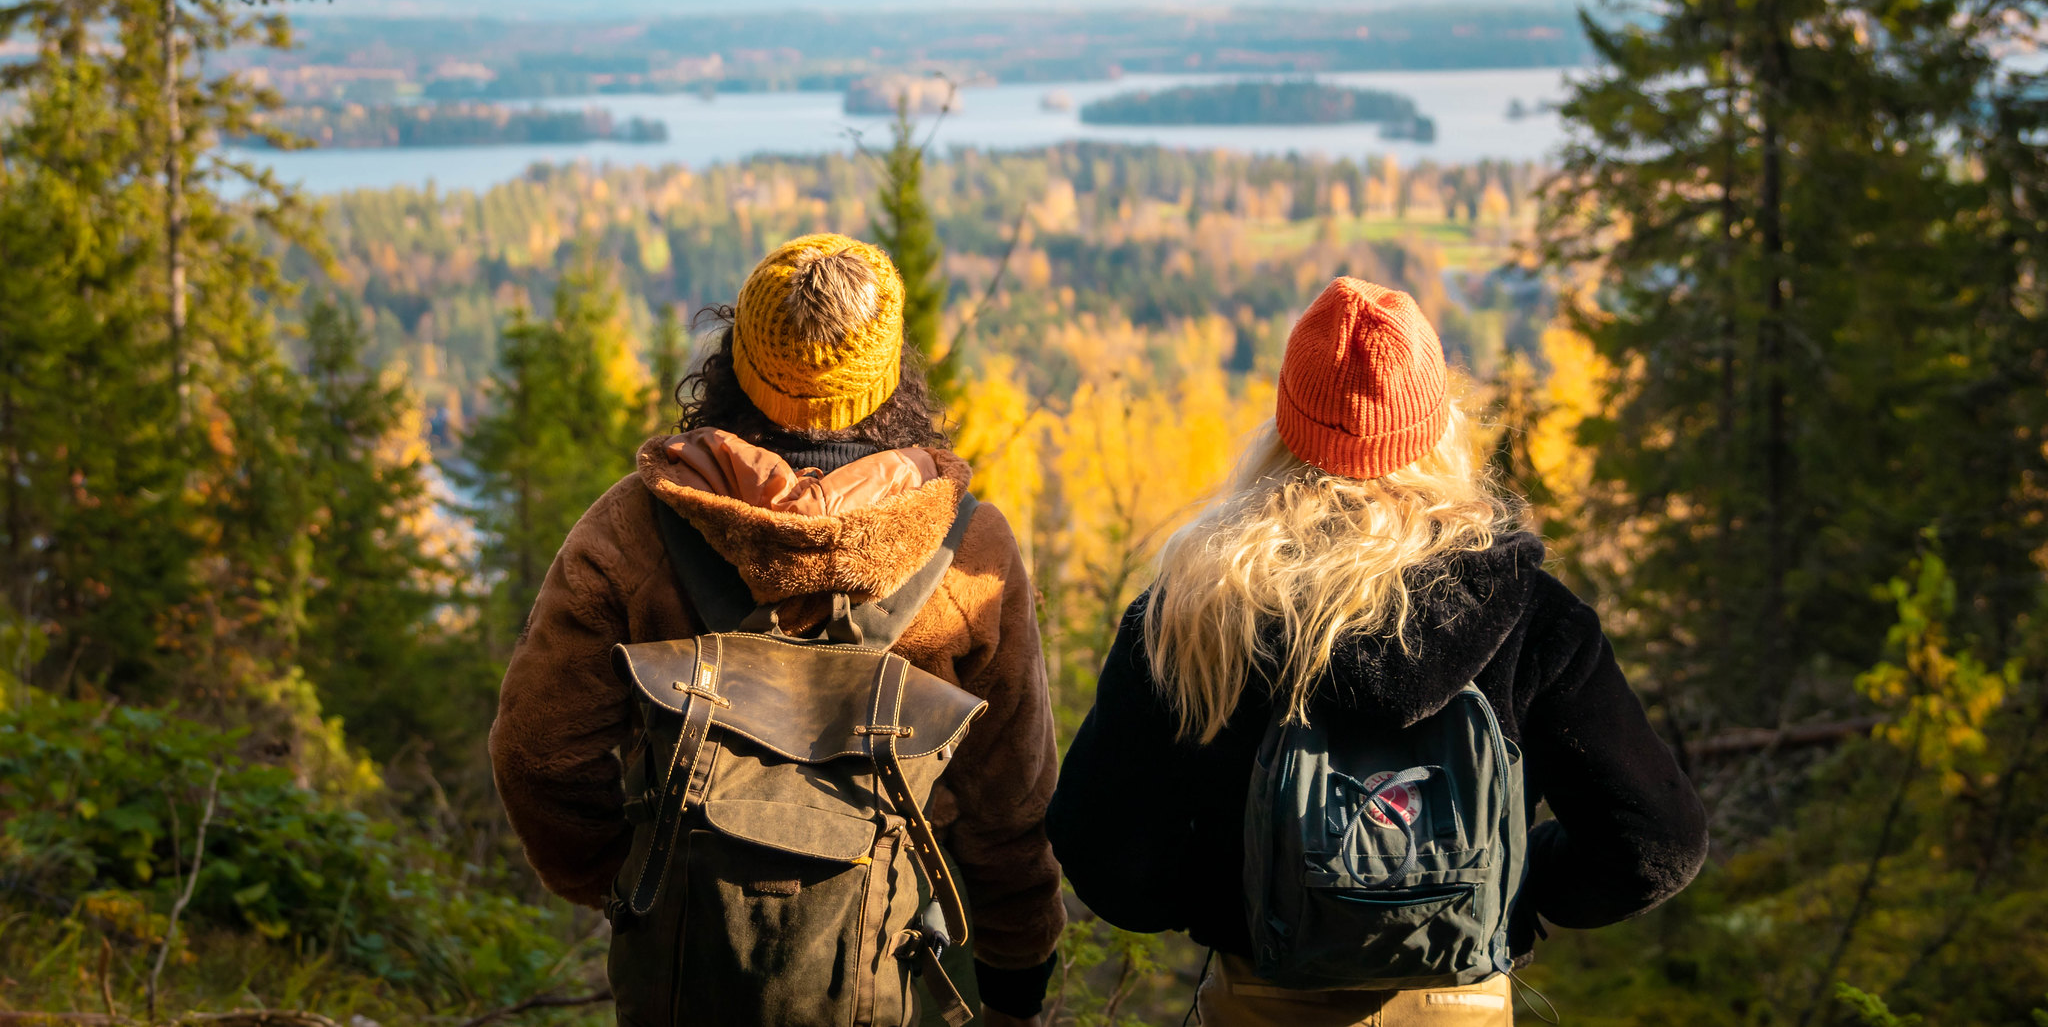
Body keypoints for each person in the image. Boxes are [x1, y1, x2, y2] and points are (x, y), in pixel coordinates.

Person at [1046, 277, 1709, 1026]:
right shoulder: (1529, 611)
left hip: (1258, 1001)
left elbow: (1103, 853)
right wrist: (1506, 887)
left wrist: (1243, 896)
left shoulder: (1193, 611)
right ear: (1436, 424)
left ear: (1286, 425)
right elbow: (1659, 843)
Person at [490, 233, 1063, 1027]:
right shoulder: (969, 550)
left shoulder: (634, 528)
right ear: (892, 374)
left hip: (681, 971)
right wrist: (1016, 976)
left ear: (735, 358)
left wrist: (629, 885)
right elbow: (1011, 801)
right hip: (890, 975)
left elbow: (538, 752)